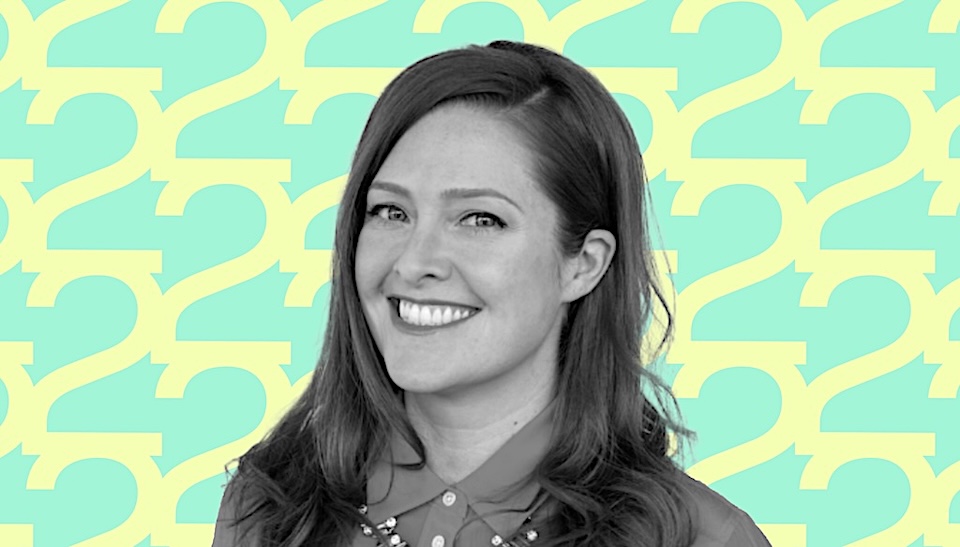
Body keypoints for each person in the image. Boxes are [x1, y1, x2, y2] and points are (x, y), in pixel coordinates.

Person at [212, 40, 771, 547]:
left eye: (480, 219)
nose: (414, 262)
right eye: (391, 211)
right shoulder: (269, 509)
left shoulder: (701, 538)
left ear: (584, 264)